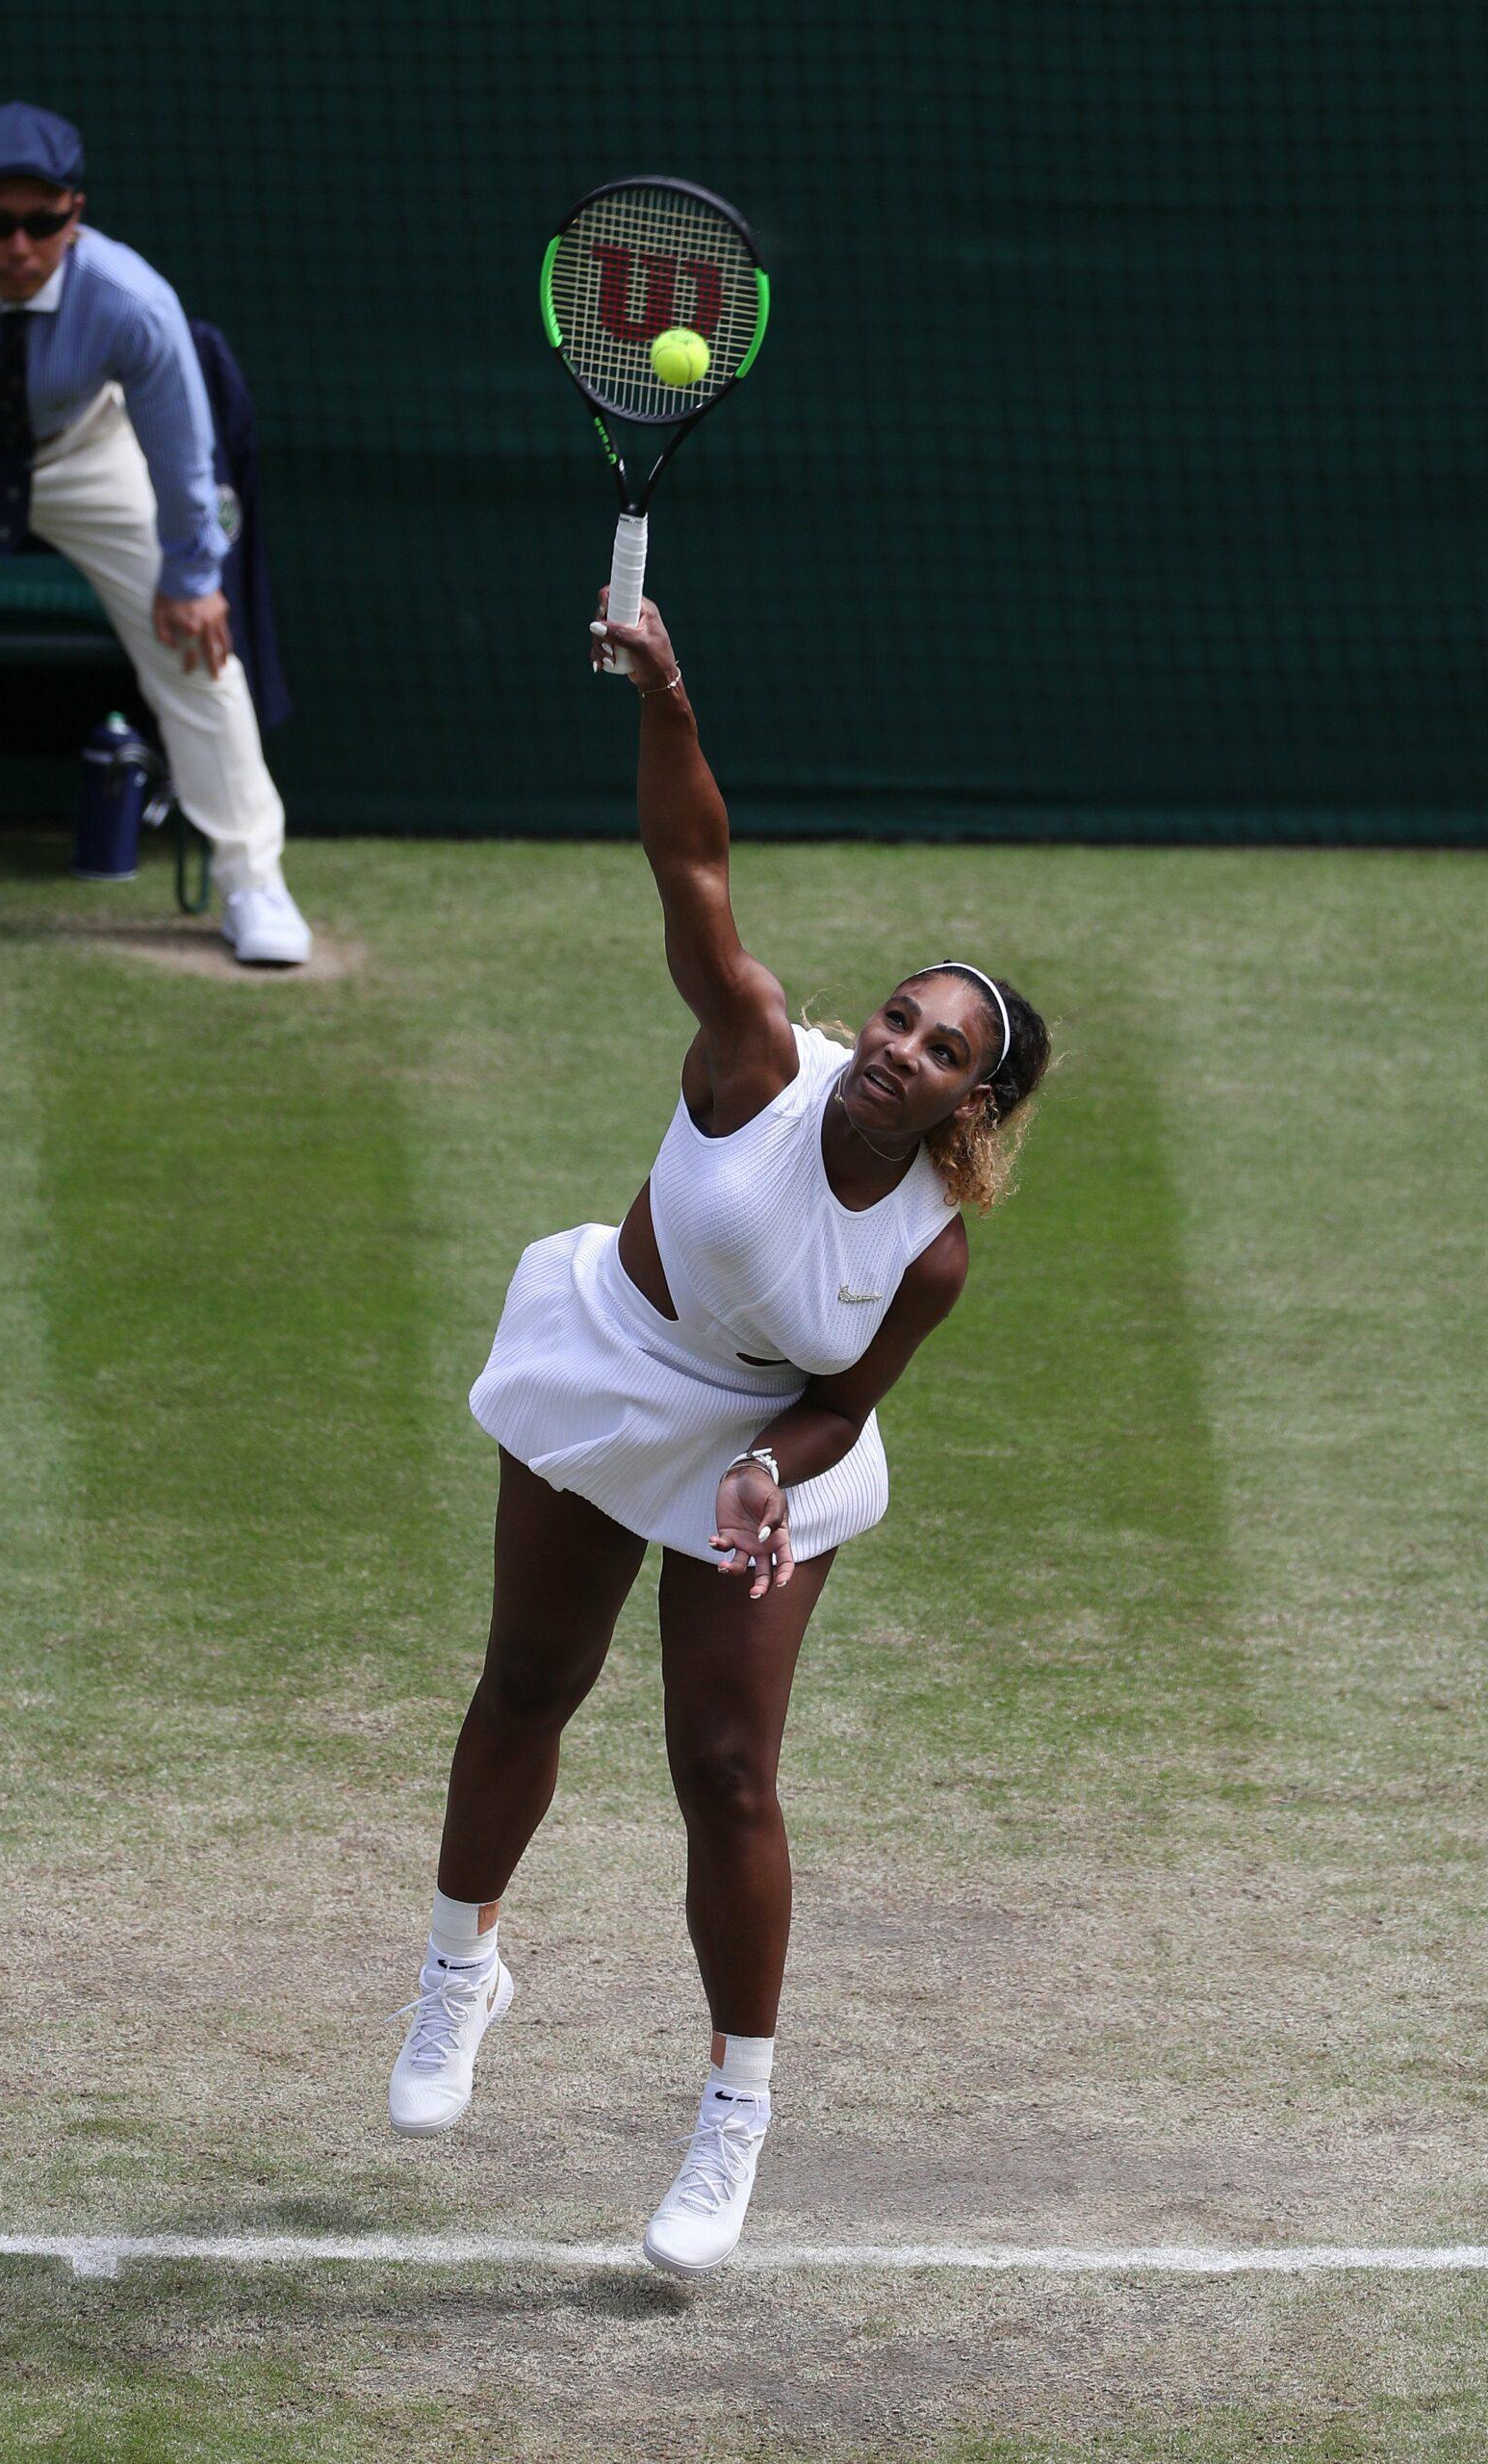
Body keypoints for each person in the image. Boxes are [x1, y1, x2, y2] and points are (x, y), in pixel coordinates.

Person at [387, 588, 1052, 2277]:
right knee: (528, 1682)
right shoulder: (757, 1059)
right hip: (611, 1362)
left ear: (968, 1109)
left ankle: (730, 2114)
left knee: (725, 1769)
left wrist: (770, 1468)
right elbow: (693, 876)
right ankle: (461, 1970)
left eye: (934, 1052)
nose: (891, 1049)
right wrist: (665, 693)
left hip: (760, 1450)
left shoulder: (932, 1250)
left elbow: (841, 1405)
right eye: (895, 1017)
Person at [0, 101, 310, 965]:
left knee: (195, 641)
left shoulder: (133, 301)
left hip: (85, 446)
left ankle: (251, 879)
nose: (20, 248)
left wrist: (194, 576)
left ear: (75, 216)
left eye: (43, 223)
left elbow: (183, 454)